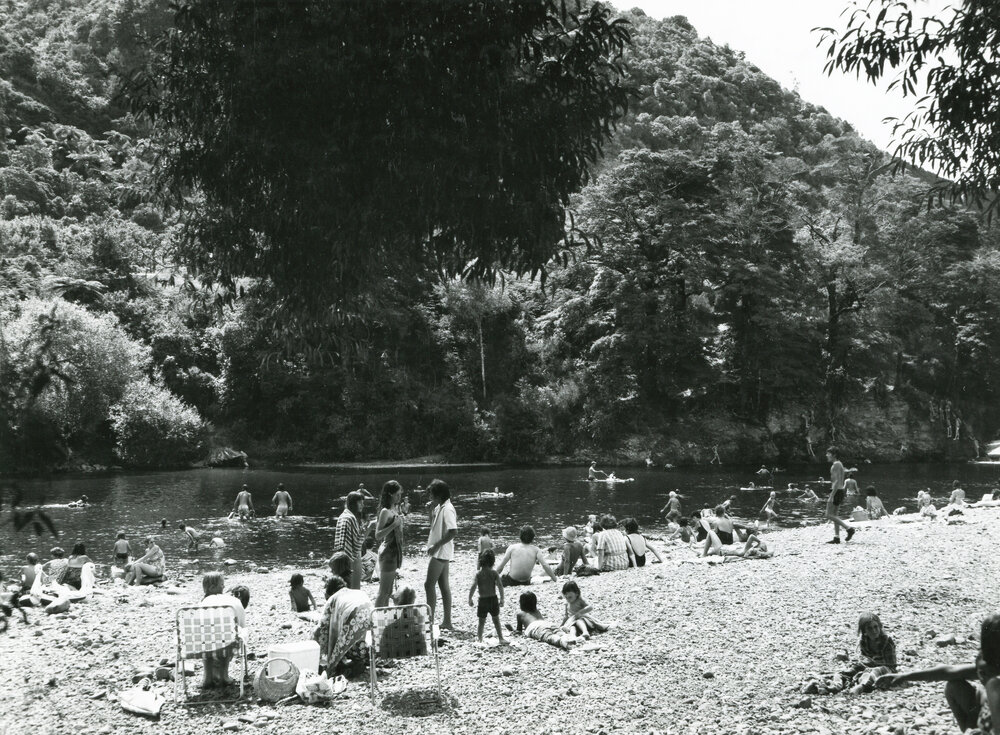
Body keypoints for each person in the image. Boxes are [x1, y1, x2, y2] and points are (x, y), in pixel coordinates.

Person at [876, 613, 1000, 734]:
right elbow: (948, 671)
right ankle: (972, 730)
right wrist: (903, 676)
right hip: (990, 718)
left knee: (989, 687)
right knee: (955, 686)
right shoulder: (987, 663)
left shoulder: (992, 678)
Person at [804, 612, 897, 695]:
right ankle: (833, 686)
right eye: (870, 628)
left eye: (875, 627)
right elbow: (864, 658)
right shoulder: (864, 641)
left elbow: (891, 664)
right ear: (864, 631)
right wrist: (860, 663)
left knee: (876, 671)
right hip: (868, 666)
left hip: (886, 669)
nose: (874, 631)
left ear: (879, 627)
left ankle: (861, 687)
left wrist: (870, 664)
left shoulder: (886, 641)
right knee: (847, 672)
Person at [313, 575, 374, 673]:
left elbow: (322, 628)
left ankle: (337, 666)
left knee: (334, 639)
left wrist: (315, 650)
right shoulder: (359, 592)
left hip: (358, 647)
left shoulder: (333, 598)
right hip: (376, 648)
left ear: (329, 591)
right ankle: (362, 660)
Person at [198, 572, 246, 688]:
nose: (224, 586)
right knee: (228, 634)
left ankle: (207, 678)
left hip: (202, 645)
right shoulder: (233, 602)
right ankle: (224, 676)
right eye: (221, 584)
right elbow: (241, 625)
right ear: (212, 587)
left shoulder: (199, 606)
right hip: (228, 643)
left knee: (207, 636)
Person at [424, 479, 457, 630]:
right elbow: (433, 527)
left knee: (428, 585)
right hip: (442, 551)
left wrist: (436, 545)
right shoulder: (440, 507)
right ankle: (447, 622)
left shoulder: (448, 509)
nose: (429, 496)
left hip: (441, 551)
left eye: (431, 494)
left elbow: (453, 531)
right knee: (443, 586)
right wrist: (430, 512)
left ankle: (429, 621)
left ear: (439, 495)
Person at [374, 481, 405, 608]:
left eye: (400, 494)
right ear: (390, 494)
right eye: (397, 494)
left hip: (394, 554)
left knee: (389, 592)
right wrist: (393, 525)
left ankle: (384, 616)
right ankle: (376, 617)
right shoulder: (385, 511)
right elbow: (378, 535)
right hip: (387, 554)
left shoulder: (395, 509)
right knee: (383, 592)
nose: (400, 497)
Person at [468, 549, 506, 644]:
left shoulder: (478, 574)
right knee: (496, 620)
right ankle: (501, 638)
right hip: (493, 599)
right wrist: (502, 599)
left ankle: (480, 639)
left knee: (481, 622)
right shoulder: (494, 573)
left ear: (481, 561)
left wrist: (470, 598)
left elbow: (473, 586)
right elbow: (500, 586)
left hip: (482, 600)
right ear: (493, 561)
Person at [333, 491, 365, 590]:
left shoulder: (343, 516)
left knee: (344, 588)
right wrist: (368, 529)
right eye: (360, 503)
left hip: (341, 558)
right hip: (351, 559)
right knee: (354, 589)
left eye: (363, 503)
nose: (362, 505)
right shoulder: (350, 518)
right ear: (353, 503)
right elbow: (357, 543)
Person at [825, 447, 855, 544]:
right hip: (840, 490)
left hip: (836, 491)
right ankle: (836, 537)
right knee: (835, 515)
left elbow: (836, 481)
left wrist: (831, 496)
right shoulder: (839, 464)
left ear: (834, 455)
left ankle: (849, 528)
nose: (826, 455)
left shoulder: (836, 464)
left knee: (828, 514)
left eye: (828, 453)